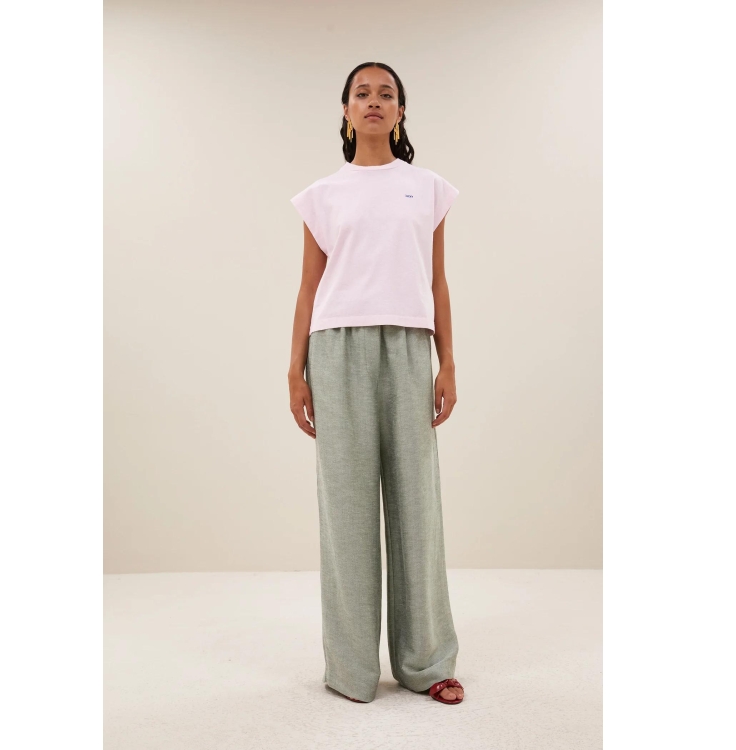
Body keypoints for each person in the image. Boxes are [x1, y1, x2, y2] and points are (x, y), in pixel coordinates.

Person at [286, 62, 465, 706]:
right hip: (336, 349)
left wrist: (448, 361)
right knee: (347, 508)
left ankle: (427, 661)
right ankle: (352, 667)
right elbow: (309, 286)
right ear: (345, 110)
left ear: (400, 111)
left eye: (386, 93)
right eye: (361, 93)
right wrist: (295, 369)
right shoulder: (322, 195)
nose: (373, 101)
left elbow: (437, 280)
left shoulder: (428, 189)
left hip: (410, 346)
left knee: (417, 504)